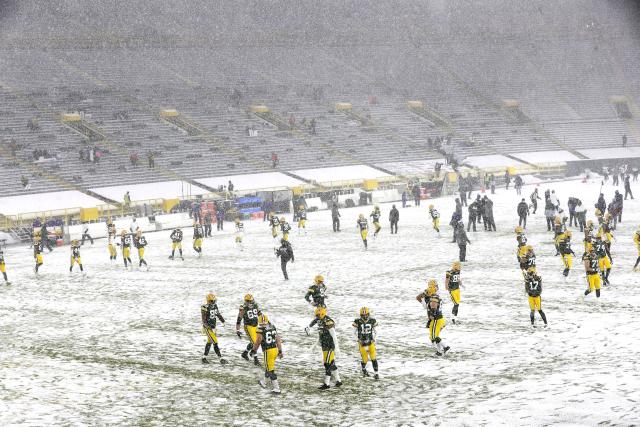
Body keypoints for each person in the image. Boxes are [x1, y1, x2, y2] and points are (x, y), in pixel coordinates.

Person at [306, 307, 342, 389]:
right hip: (324, 346)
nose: (317, 317)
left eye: (318, 315)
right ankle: (338, 381)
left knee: (327, 364)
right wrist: (315, 345)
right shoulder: (320, 321)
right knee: (331, 364)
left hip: (329, 346)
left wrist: (337, 348)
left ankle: (327, 384)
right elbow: (321, 335)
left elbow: (334, 336)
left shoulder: (328, 321)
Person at [250, 313, 283, 394]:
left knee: (270, 370)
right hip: (275, 349)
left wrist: (253, 350)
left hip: (268, 351)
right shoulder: (273, 327)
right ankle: (264, 382)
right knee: (268, 366)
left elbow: (258, 341)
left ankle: (277, 388)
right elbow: (278, 339)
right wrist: (280, 350)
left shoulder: (260, 329)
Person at [416, 280, 449, 356]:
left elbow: (433, 307)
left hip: (436, 319)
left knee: (434, 337)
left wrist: (431, 315)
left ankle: (445, 347)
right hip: (437, 319)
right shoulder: (434, 296)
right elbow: (422, 300)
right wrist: (424, 299)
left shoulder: (434, 297)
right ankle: (440, 351)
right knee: (433, 337)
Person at [201, 293, 228, 365]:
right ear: (208, 301)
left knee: (209, 342)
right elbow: (203, 320)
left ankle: (204, 357)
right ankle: (221, 358)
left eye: (214, 300)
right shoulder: (204, 307)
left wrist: (223, 321)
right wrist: (207, 326)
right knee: (215, 342)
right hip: (207, 328)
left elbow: (218, 314)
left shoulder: (215, 306)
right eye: (211, 301)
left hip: (213, 327)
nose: (213, 302)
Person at [353, 307, 379, 379]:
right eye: (363, 315)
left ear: (368, 314)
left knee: (373, 358)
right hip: (362, 343)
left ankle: (376, 374)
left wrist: (374, 339)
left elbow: (376, 332)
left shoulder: (372, 321)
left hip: (370, 342)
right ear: (360, 315)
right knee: (365, 359)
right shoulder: (358, 321)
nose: (364, 316)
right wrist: (358, 340)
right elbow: (353, 332)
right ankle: (364, 370)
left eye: (366, 315)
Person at [236, 294, 261, 366]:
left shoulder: (255, 305)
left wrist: (266, 322)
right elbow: (239, 319)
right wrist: (237, 330)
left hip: (255, 326)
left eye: (251, 301)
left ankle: (245, 353)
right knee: (255, 342)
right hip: (248, 326)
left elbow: (259, 314)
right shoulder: (243, 308)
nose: (250, 303)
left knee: (254, 341)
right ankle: (255, 359)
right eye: (249, 301)